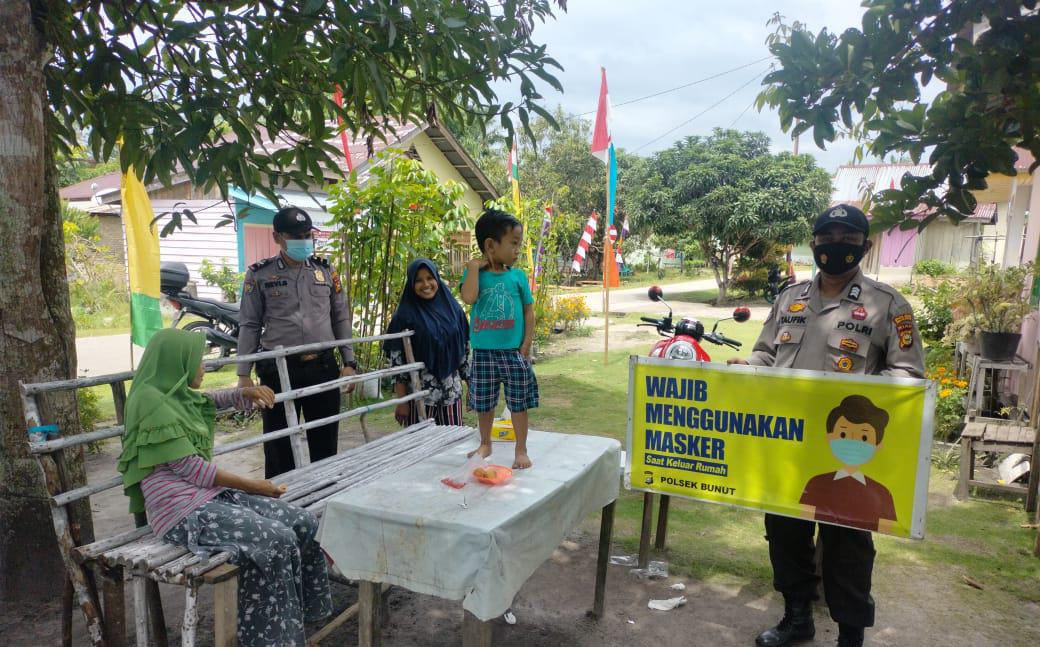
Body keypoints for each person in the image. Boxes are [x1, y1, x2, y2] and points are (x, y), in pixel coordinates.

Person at [728, 204, 925, 647]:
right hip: (788, 443)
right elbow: (766, 354)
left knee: (848, 544)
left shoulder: (888, 305)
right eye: (828, 237)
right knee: (785, 532)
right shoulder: (789, 298)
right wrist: (745, 365)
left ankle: (850, 635)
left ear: (865, 247)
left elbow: (909, 376)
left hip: (846, 448)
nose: (837, 247)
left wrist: (861, 394)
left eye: (849, 239)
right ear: (814, 243)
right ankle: (797, 617)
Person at [117, 328, 332, 646]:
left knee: (303, 522)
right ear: (175, 363)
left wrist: (246, 393)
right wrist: (255, 487)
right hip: (181, 513)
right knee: (276, 539)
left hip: (207, 498)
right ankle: (268, 638)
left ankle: (300, 616)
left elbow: (206, 401)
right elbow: (193, 469)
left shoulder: (170, 392)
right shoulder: (151, 402)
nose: (202, 368)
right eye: (197, 362)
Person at [237, 206, 357, 478]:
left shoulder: (325, 271)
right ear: (277, 237)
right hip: (277, 371)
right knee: (279, 445)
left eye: (307, 235)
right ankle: (284, 502)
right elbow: (250, 324)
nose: (304, 241)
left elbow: (341, 318)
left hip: (322, 367)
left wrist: (349, 362)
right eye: (296, 236)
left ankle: (324, 495)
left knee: (325, 439)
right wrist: (243, 374)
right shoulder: (260, 275)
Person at [460, 208, 538, 469]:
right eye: (513, 243)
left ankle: (521, 449)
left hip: (513, 352)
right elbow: (469, 298)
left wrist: (526, 345)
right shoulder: (476, 275)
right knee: (484, 402)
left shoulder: (517, 277)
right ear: (491, 245)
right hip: (483, 352)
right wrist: (472, 267)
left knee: (518, 402)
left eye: (519, 244)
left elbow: (528, 312)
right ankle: (485, 443)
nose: (517, 249)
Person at [384, 258, 471, 426]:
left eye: (430, 278)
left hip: (451, 395)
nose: (426, 284)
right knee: (421, 449)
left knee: (452, 447)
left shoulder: (453, 311)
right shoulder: (404, 317)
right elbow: (398, 365)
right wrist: (402, 402)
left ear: (437, 278)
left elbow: (464, 352)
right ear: (411, 283)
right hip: (419, 398)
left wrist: (471, 387)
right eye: (418, 280)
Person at [800, 395, 897, 534]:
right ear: (829, 436)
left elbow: (887, 528)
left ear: (878, 445)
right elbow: (804, 515)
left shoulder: (881, 493)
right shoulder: (815, 483)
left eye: (864, 438)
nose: (853, 443)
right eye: (843, 434)